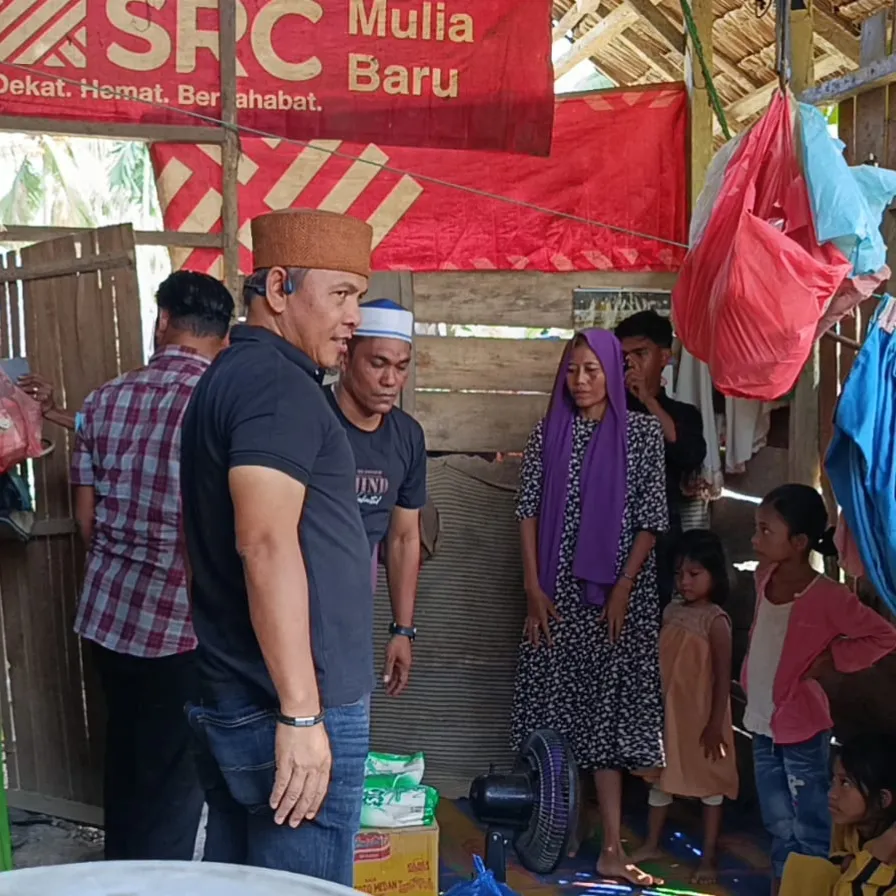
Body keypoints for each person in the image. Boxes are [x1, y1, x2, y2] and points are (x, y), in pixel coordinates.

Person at [180, 208, 374, 882]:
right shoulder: (275, 385)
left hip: (247, 692)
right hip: (283, 705)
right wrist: (301, 714)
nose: (353, 318)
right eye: (341, 294)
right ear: (278, 287)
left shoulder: (240, 375)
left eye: (359, 297)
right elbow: (263, 543)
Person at [70, 270, 234, 861]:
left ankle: (119, 872)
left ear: (163, 320)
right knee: (172, 784)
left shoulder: (101, 400)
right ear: (225, 335)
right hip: (182, 629)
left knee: (125, 760)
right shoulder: (219, 403)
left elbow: (85, 521)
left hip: (108, 619)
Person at [511, 328, 668, 887]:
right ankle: (561, 829)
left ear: (612, 373)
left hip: (614, 600)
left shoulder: (641, 435)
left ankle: (611, 848)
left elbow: (651, 519)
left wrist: (623, 585)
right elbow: (528, 511)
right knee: (556, 712)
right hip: (555, 596)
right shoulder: (549, 432)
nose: (579, 381)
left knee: (605, 719)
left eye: (591, 370)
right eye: (572, 370)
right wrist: (533, 588)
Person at [746, 483, 896, 894]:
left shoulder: (829, 596)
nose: (755, 539)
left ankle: (811, 887)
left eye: (765, 530)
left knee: (810, 821)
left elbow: (883, 636)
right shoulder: (763, 577)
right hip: (761, 724)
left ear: (798, 542)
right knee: (777, 820)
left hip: (802, 729)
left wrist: (833, 660)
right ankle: (785, 885)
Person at [327, 298, 426, 697]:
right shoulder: (312, 416)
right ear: (345, 358)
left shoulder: (407, 437)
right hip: (296, 602)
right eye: (378, 363)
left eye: (401, 367)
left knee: (349, 724)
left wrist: (403, 629)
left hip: (355, 613)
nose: (390, 380)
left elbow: (403, 537)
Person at [632, 529, 738, 884]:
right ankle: (651, 843)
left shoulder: (716, 621)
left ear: (715, 574)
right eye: (679, 574)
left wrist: (715, 724)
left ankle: (707, 857)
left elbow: (722, 677)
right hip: (671, 715)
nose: (685, 582)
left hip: (702, 716)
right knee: (662, 779)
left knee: (710, 786)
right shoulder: (671, 611)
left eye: (694, 573)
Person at [614, 311, 706, 607]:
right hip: (607, 531)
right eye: (623, 356)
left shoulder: (682, 414)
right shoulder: (608, 410)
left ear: (665, 357)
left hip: (659, 540)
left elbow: (689, 455)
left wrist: (648, 401)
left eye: (641, 354)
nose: (630, 363)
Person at [780, 733, 896, 895]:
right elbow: (838, 860)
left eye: (845, 783)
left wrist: (876, 858)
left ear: (882, 799)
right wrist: (849, 861)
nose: (832, 794)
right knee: (807, 870)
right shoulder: (848, 825)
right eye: (833, 781)